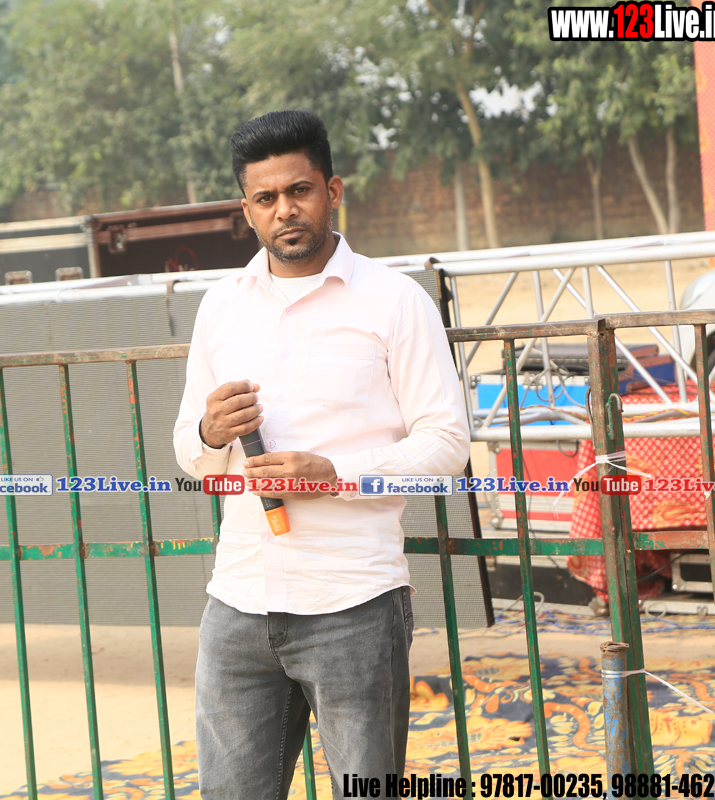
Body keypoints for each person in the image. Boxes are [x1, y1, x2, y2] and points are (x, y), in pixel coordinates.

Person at [172, 110, 470, 799]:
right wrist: (211, 433)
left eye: (299, 190)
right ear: (246, 210)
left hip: (352, 601)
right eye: (266, 198)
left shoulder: (394, 301)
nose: (285, 210)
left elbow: (447, 443)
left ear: (332, 190)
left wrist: (337, 475)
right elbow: (190, 449)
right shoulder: (222, 306)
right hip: (238, 601)